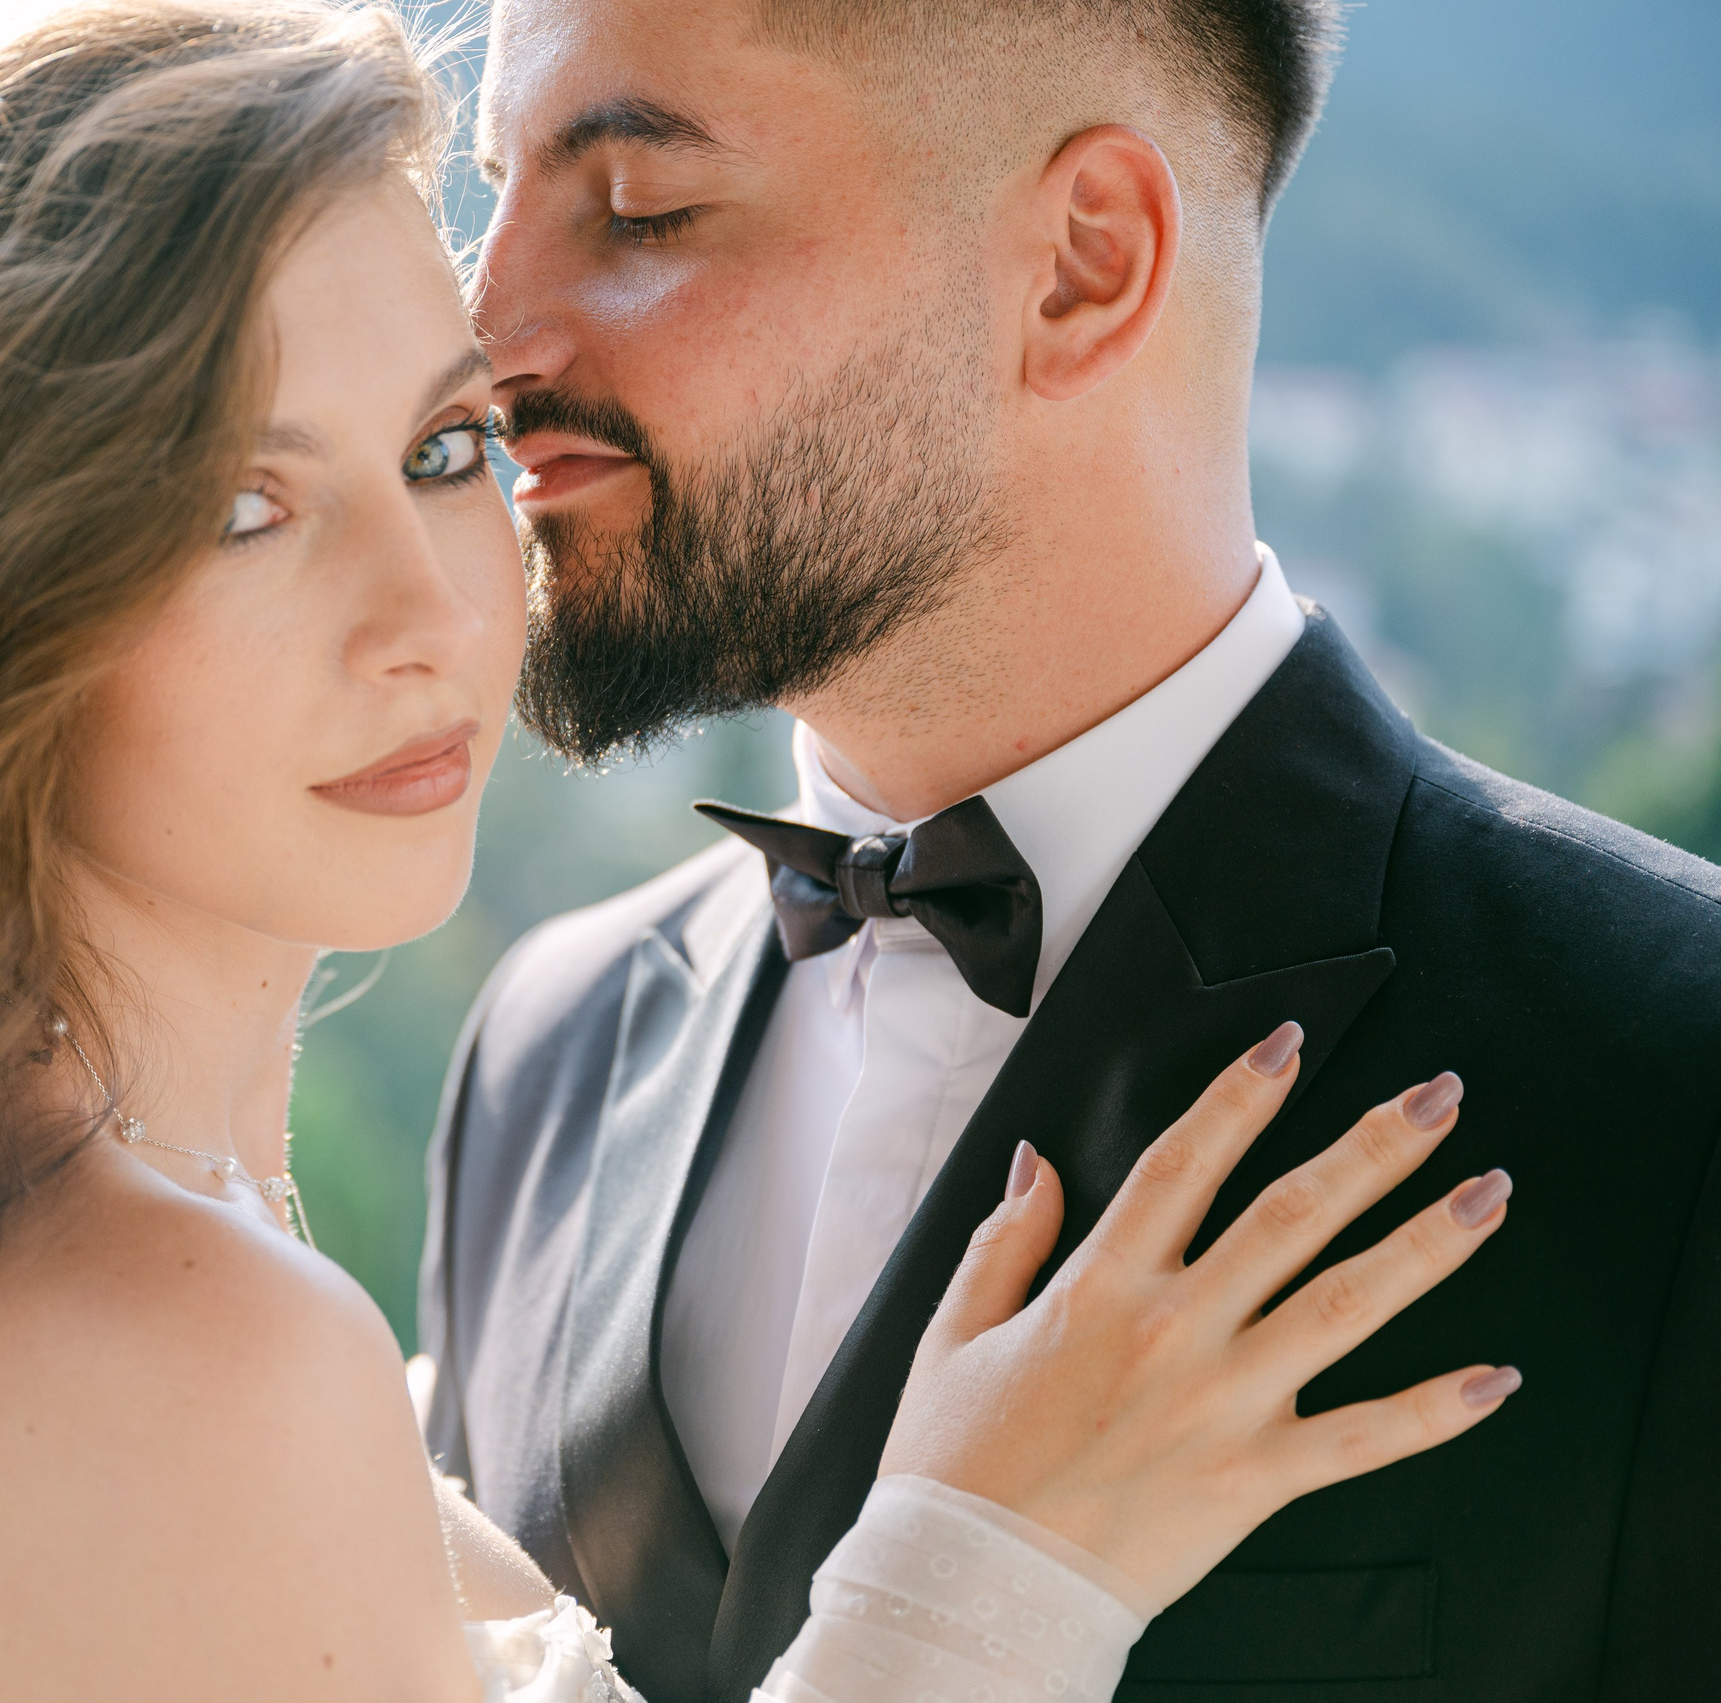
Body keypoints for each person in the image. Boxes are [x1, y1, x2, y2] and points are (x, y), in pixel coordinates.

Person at [0, 4, 1519, 1700]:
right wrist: (987, 1571)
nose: (436, 609)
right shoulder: (200, 1355)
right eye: (241, 506)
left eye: (448, 446)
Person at [425, 0, 1721, 1697]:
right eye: (488, 199)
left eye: (642, 208)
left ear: (1081, 265)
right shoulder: (541, 1044)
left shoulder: (1672, 1074)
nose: (484, 334)